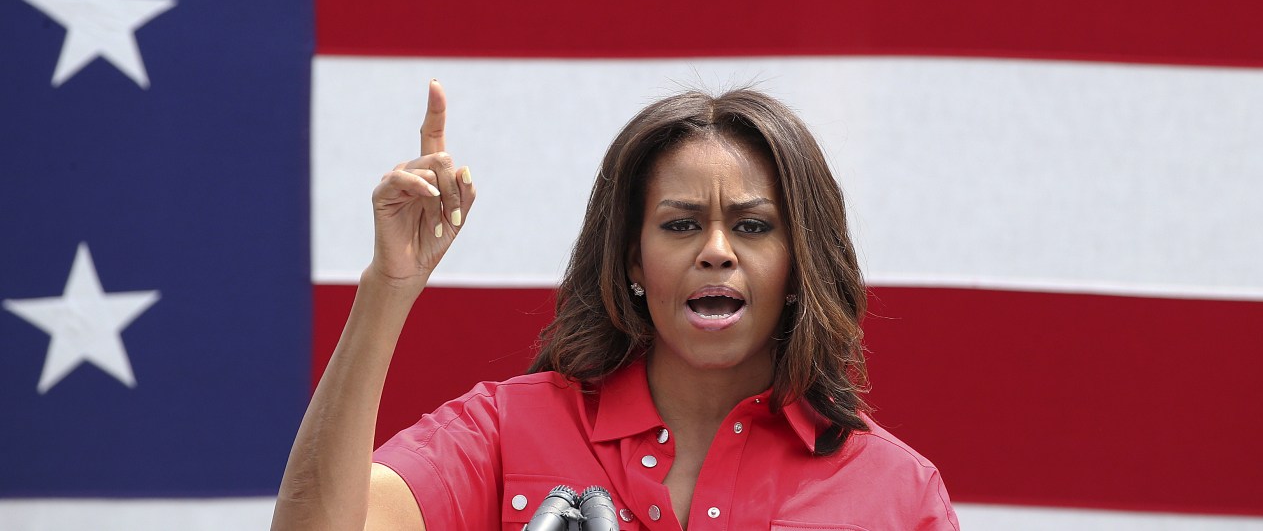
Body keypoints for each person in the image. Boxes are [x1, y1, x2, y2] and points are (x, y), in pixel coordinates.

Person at [273, 80, 959, 530]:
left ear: (798, 262)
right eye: (680, 224)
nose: (716, 250)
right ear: (632, 258)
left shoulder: (898, 492)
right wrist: (387, 289)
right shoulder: (504, 430)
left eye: (753, 227)